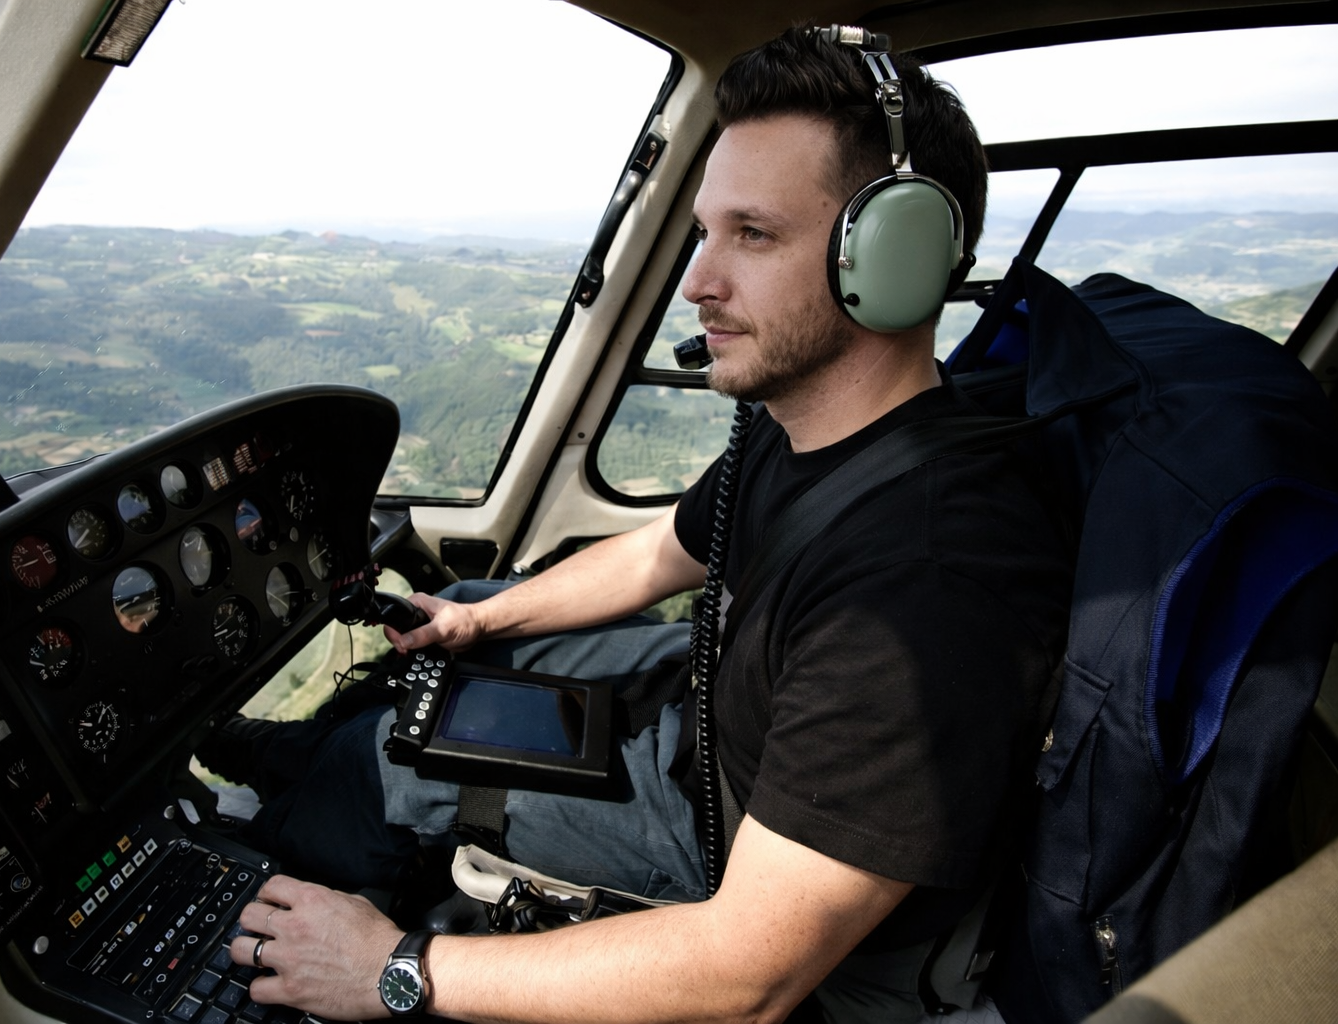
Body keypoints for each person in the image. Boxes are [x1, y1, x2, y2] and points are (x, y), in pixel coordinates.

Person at [206, 25, 1072, 1023]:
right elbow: (663, 549)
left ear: (898, 255)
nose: (698, 280)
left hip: (732, 841)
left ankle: (244, 932)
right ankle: (278, 758)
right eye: (705, 231)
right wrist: (480, 619)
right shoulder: (804, 428)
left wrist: (393, 965)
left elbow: (751, 972)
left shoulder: (927, 584)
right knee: (464, 623)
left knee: (388, 773)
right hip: (713, 727)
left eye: (753, 234)